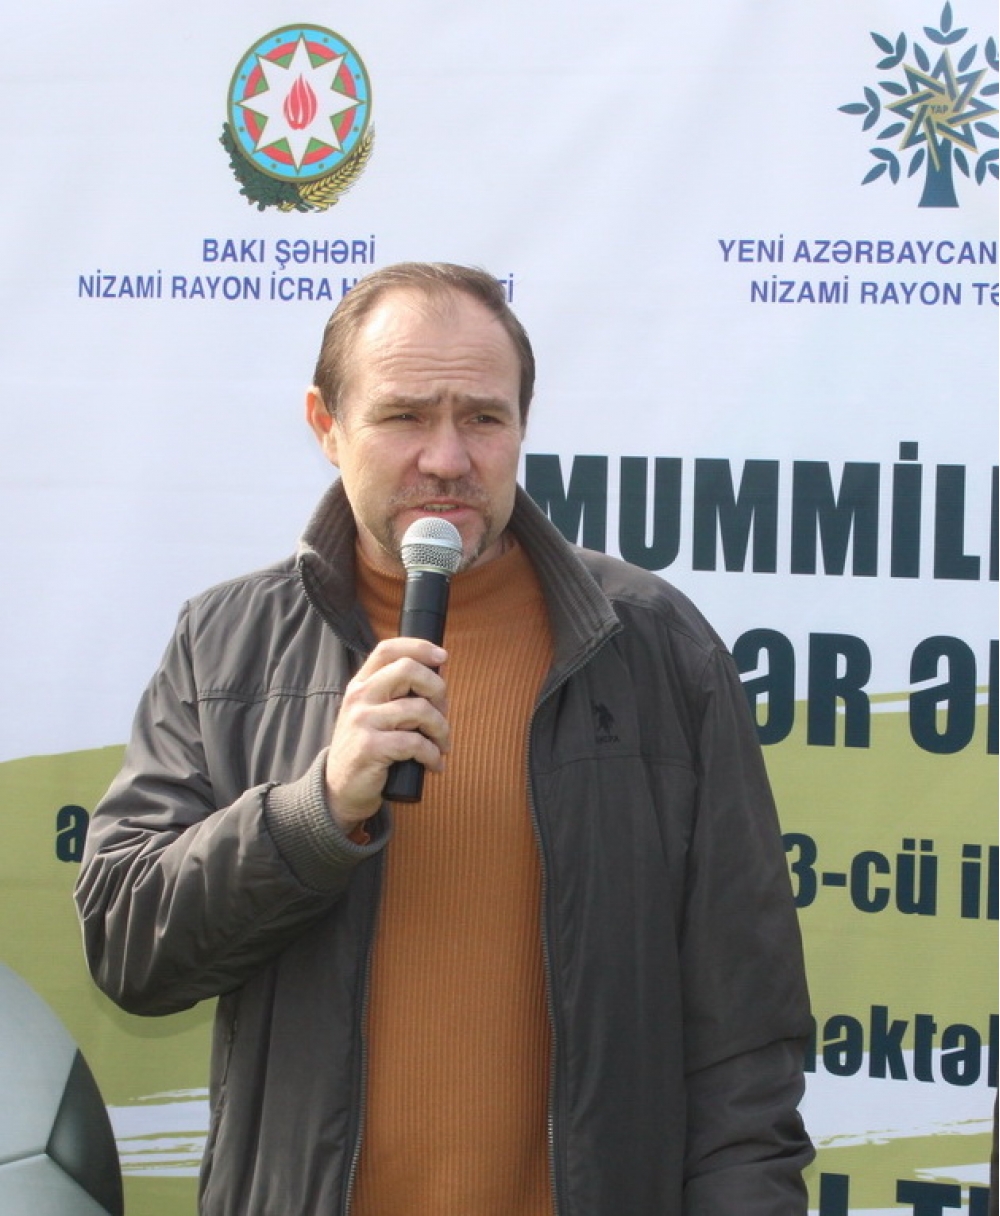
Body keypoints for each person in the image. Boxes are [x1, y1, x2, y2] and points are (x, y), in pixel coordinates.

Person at [75, 262, 813, 1215]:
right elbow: (130, 949)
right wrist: (314, 813)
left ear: (521, 427)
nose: (448, 457)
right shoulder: (226, 643)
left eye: (483, 418)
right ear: (326, 425)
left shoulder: (655, 647)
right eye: (405, 416)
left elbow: (746, 1038)